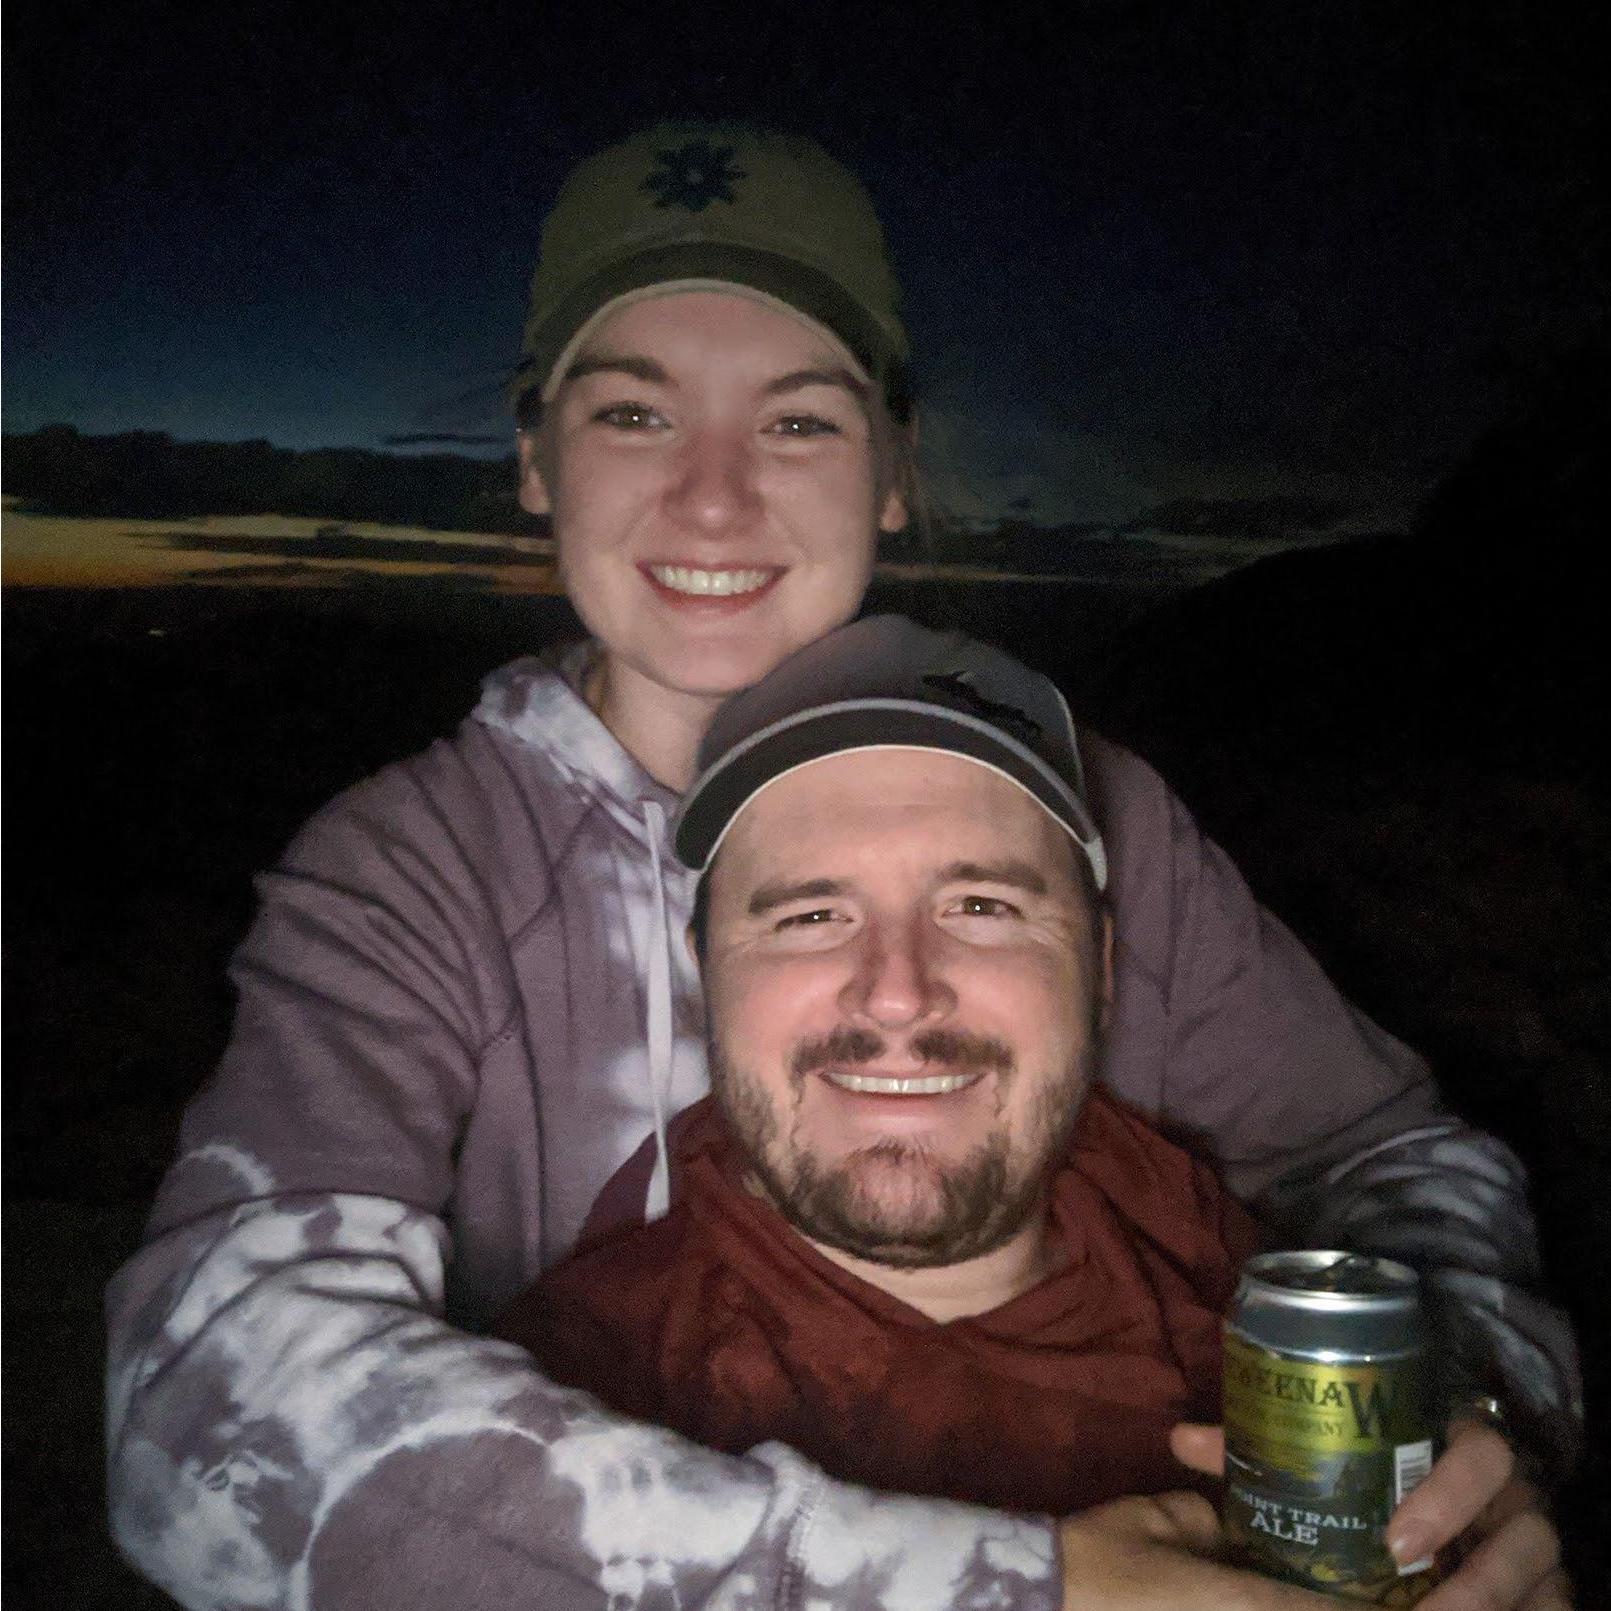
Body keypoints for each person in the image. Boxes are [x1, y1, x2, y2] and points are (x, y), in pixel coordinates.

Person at [105, 121, 1575, 1609]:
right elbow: (211, 1412)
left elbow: (1389, 1158)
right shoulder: (417, 868)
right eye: (633, 415)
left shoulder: (1092, 810)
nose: (715, 498)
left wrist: (1462, 1422)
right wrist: (1007, 1585)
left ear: (892, 469)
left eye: (799, 421)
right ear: (535, 457)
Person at [497, 616, 1266, 1523]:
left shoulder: (1213, 1245)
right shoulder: (569, 1414)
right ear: (708, 975)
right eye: (811, 916)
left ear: (1096, 969)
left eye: (980, 905)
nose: (897, 994)